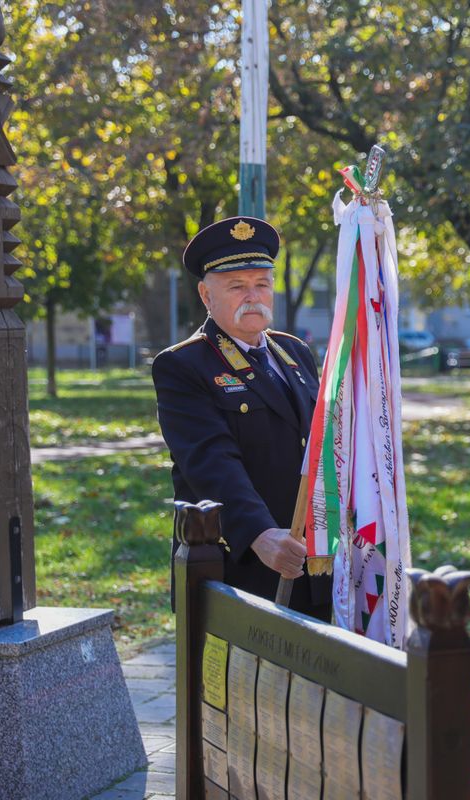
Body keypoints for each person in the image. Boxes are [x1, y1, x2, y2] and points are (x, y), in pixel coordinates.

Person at [153, 216, 330, 620]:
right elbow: (210, 460)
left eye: (262, 284)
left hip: (311, 560)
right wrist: (259, 533)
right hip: (243, 565)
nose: (253, 297)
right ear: (206, 295)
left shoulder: (295, 353)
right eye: (237, 286)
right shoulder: (184, 365)